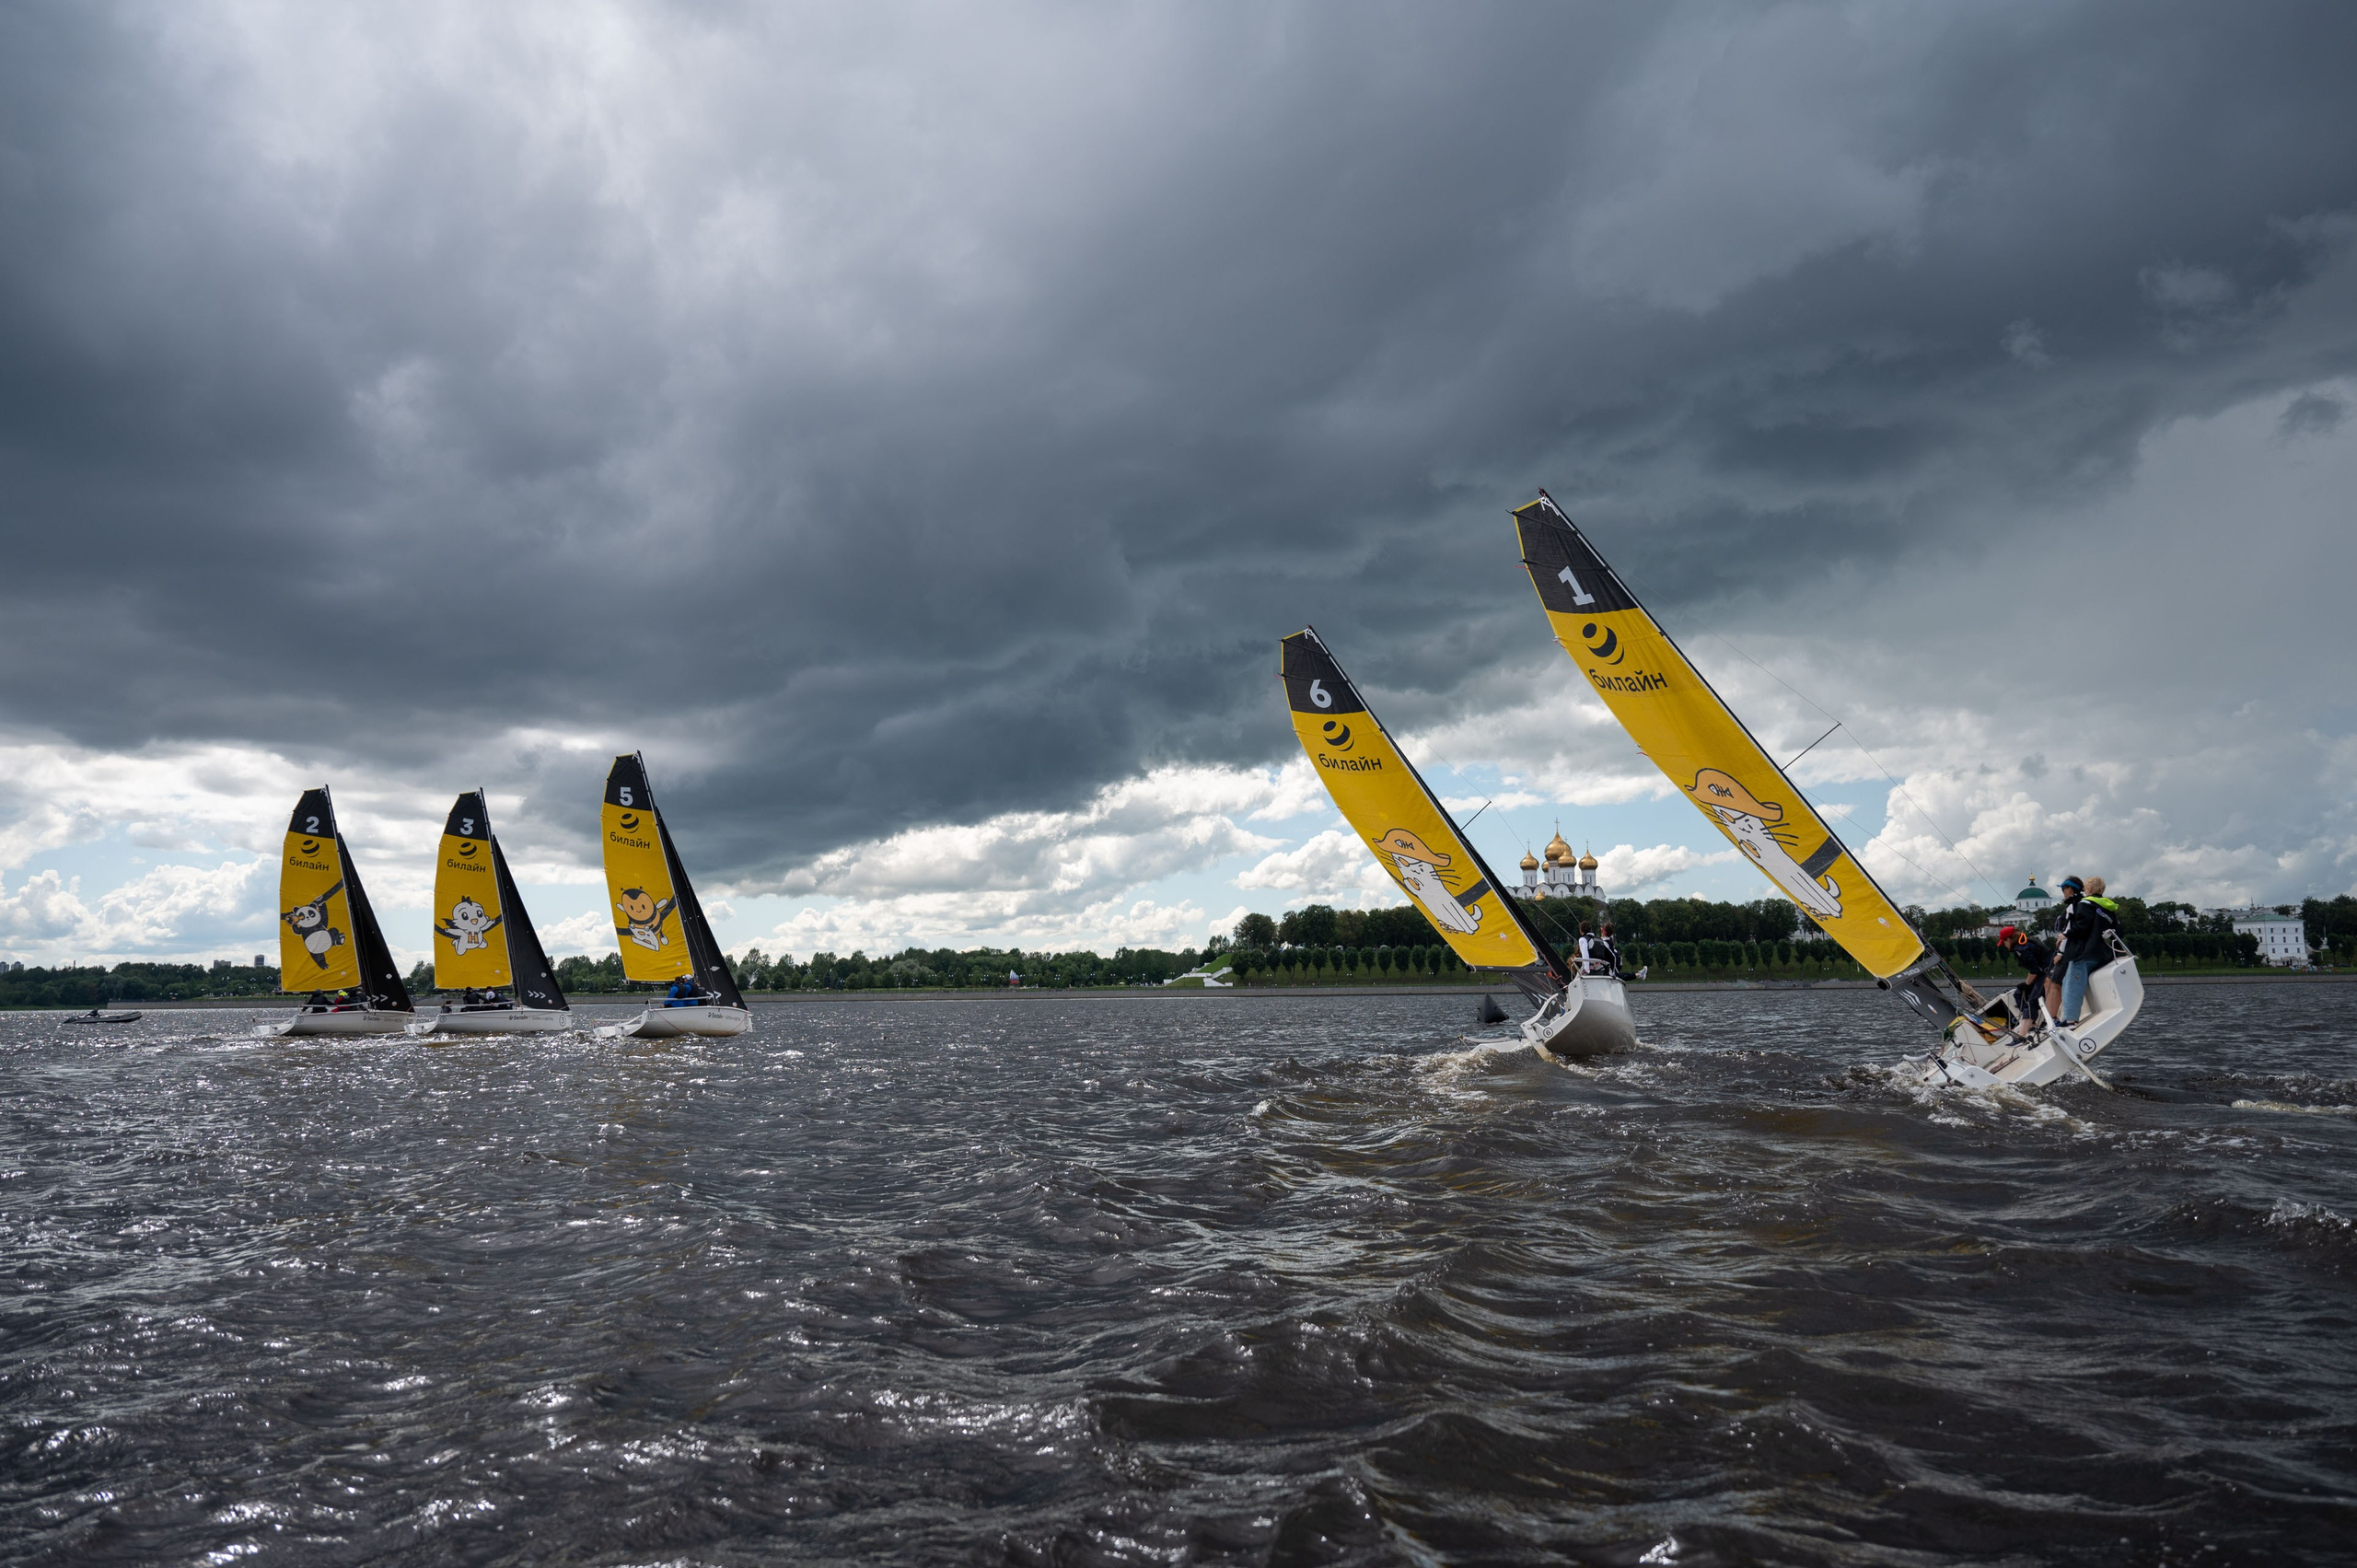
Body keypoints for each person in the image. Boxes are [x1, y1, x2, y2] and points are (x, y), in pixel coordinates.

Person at [2049, 875, 2114, 1028]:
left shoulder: (2085, 904)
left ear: (2089, 889)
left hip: (2083, 952)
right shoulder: (2108, 907)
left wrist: (2064, 935)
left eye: (2085, 888)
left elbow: (2081, 926)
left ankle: (2070, 1020)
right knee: (2066, 981)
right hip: (2102, 953)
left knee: (2072, 983)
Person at [1996, 924, 2054, 1031]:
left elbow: (2034, 970)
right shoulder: (2026, 942)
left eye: (2004, 942)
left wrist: (2027, 984)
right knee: (2018, 993)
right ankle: (2031, 1024)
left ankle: (2027, 1030)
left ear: (2008, 939)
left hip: (2046, 973)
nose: (2004, 945)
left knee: (2031, 1001)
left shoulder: (2022, 950)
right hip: (2044, 971)